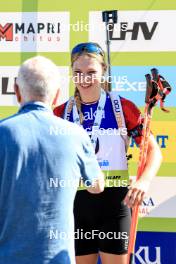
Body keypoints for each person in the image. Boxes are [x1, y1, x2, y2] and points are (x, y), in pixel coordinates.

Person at [54, 42, 162, 264]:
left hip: (115, 205)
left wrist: (143, 182)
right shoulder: (60, 113)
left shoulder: (122, 107)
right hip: (75, 205)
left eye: (91, 72)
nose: (84, 79)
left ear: (103, 71)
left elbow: (153, 151)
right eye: (78, 73)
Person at [0, 56, 104, 264]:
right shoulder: (75, 135)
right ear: (56, 96)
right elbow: (96, 186)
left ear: (17, 92)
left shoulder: (3, 132)